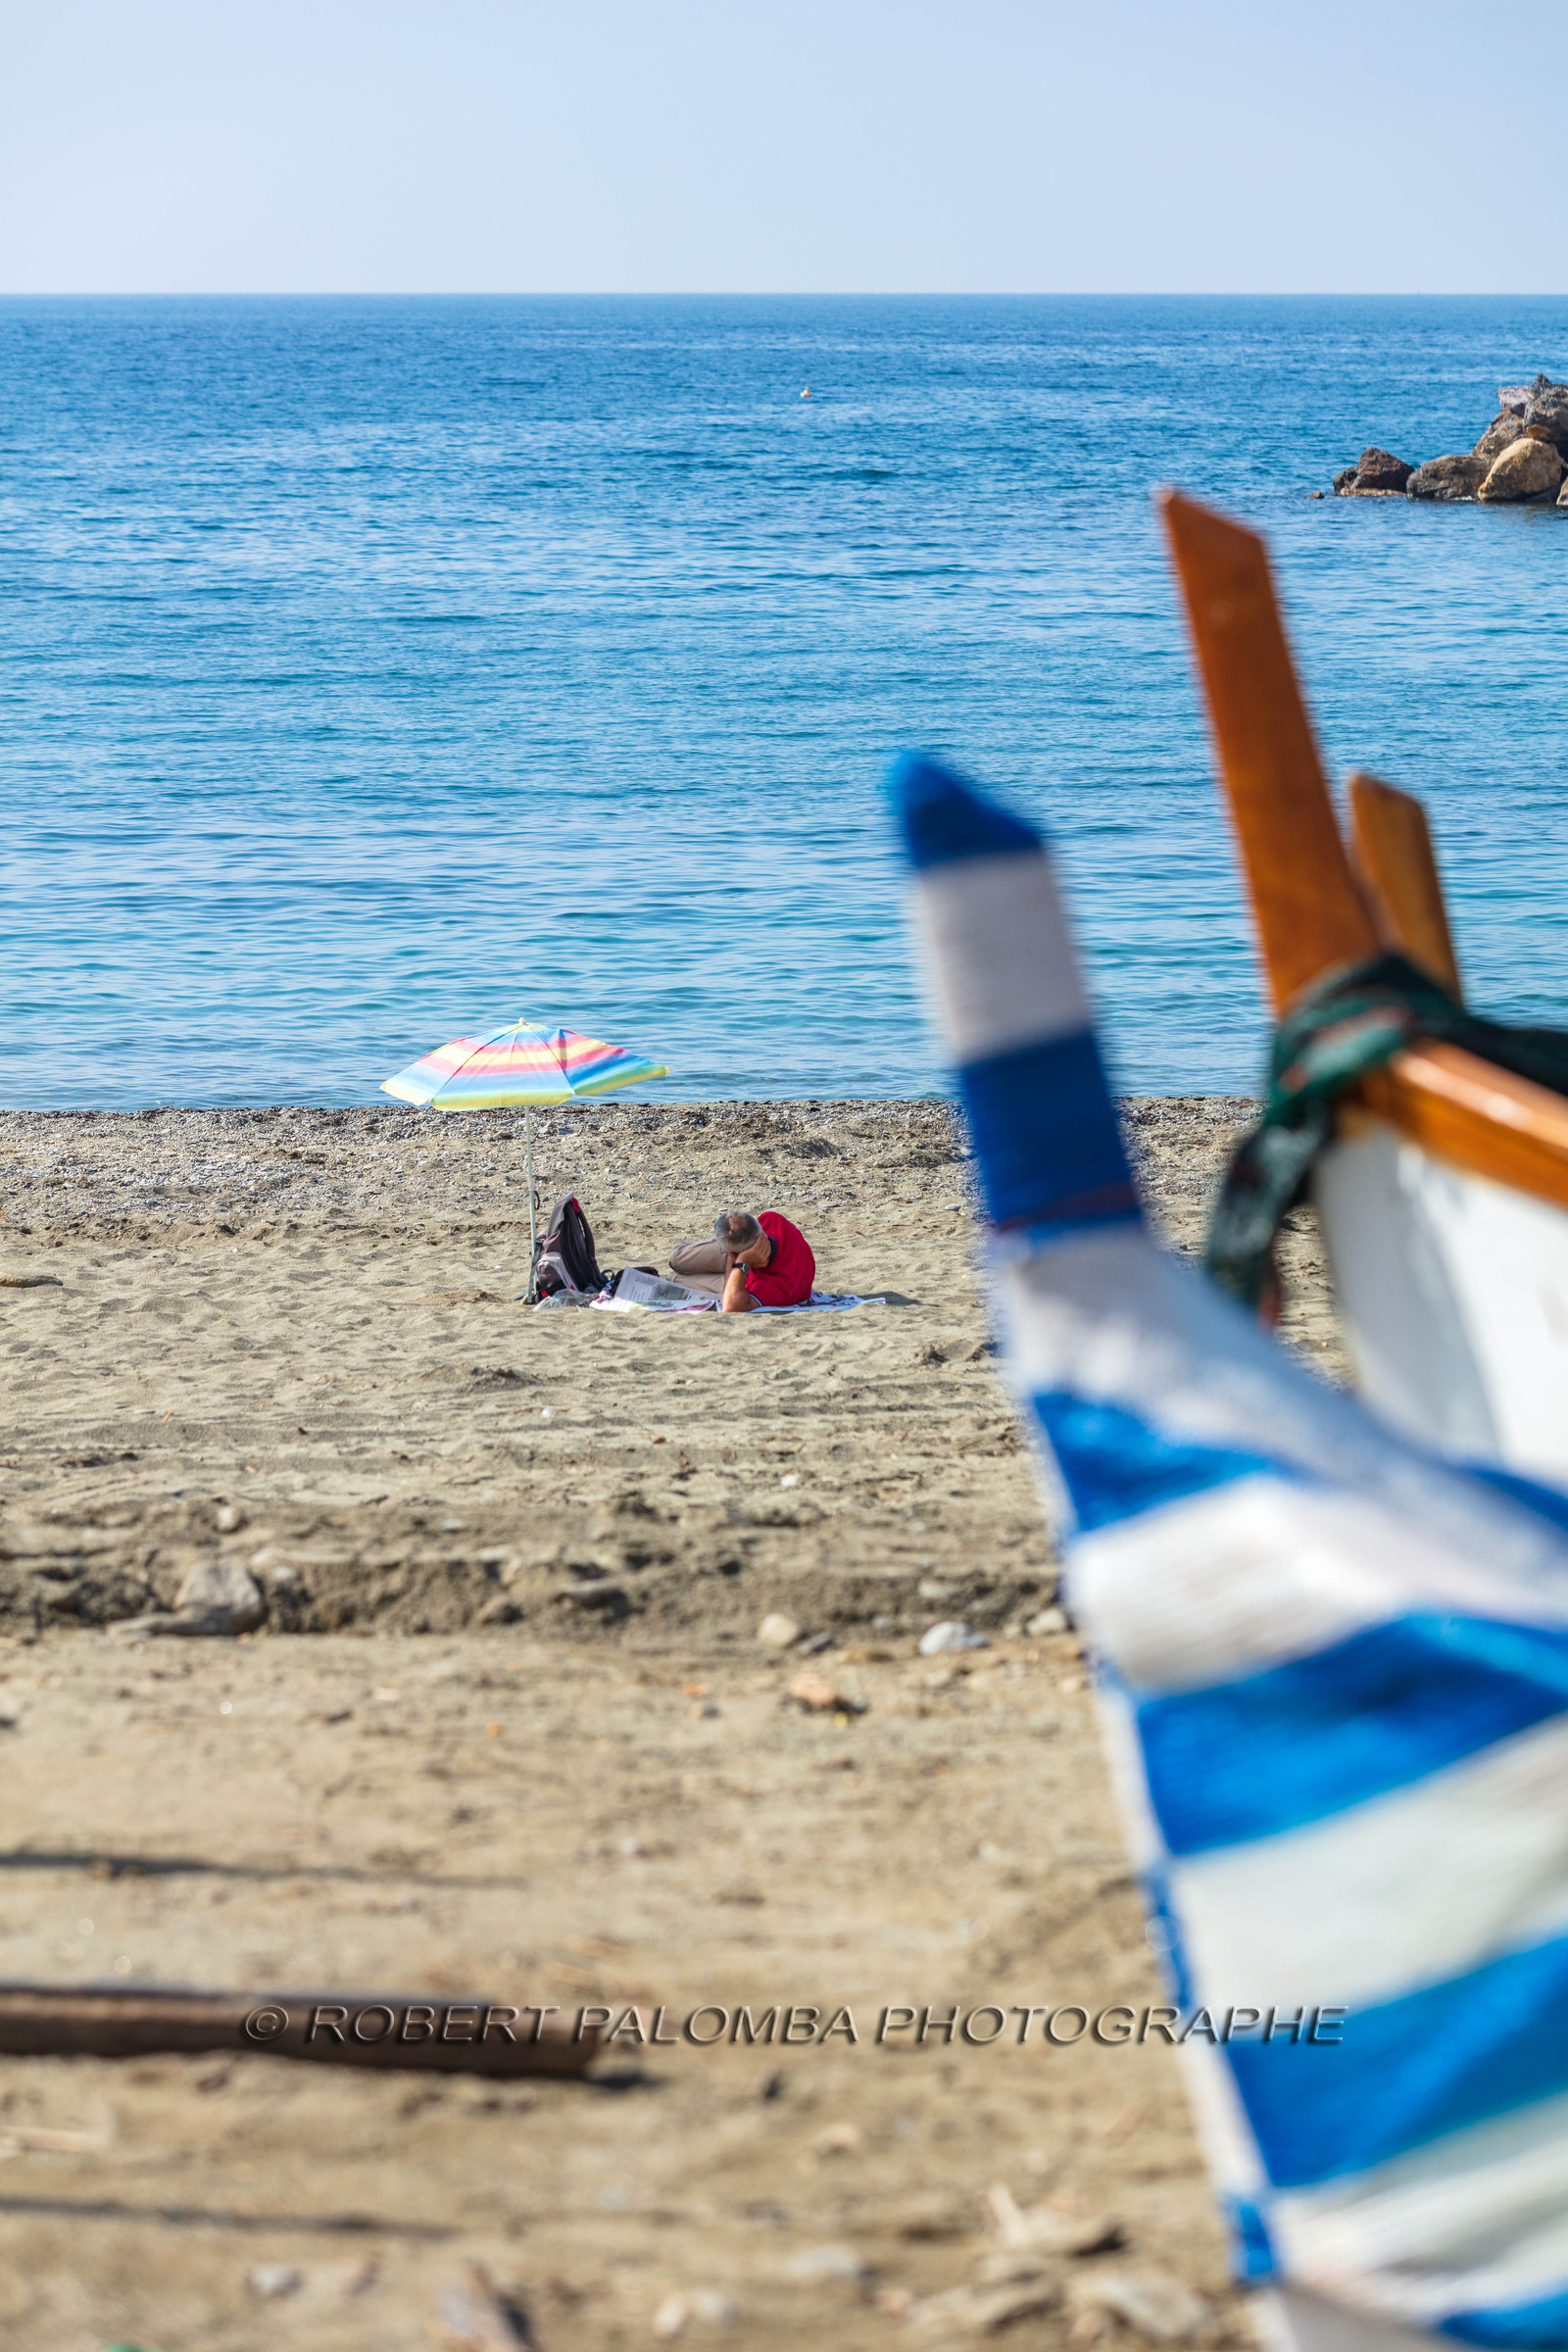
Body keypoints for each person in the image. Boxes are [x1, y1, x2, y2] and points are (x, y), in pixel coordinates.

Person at [669, 1209, 815, 1314]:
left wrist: (741, 1262)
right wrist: (737, 1259)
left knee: (674, 1280)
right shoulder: (771, 1220)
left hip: (741, 1279)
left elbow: (730, 1307)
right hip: (741, 1251)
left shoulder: (778, 1285)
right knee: (676, 1258)